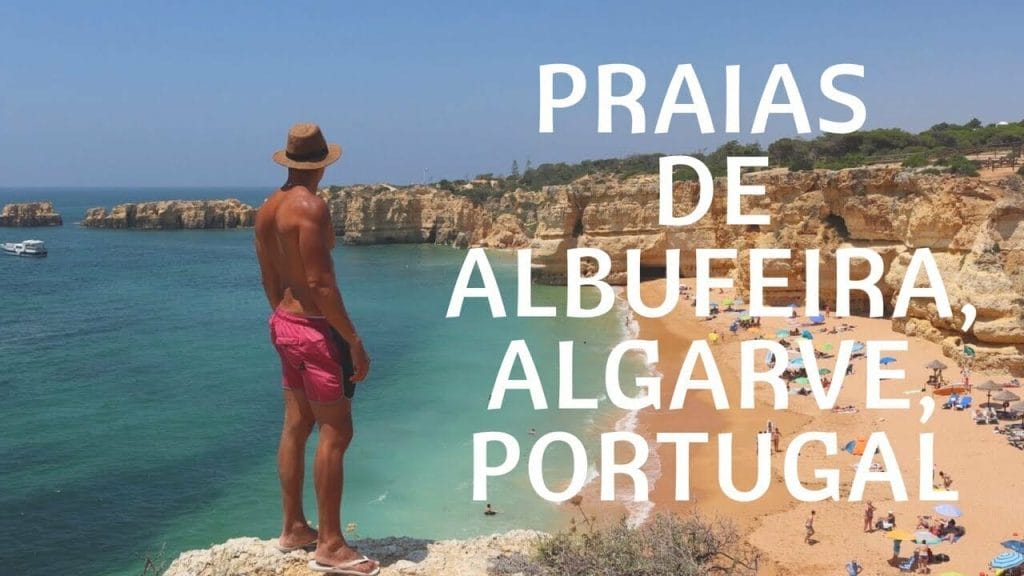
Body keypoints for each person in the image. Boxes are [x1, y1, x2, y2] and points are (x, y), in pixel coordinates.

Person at [256, 124, 378, 575]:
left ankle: (293, 529)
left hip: (284, 323)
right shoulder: (311, 207)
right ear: (322, 163)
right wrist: (353, 340)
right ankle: (329, 544)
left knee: (297, 423)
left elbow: (271, 276)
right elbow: (320, 283)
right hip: (314, 329)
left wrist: (285, 319)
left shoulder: (268, 208)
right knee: (337, 432)